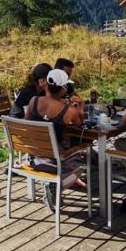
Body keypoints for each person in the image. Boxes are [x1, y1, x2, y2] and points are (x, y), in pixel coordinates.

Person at [25, 68, 87, 206]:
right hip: (57, 162)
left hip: (34, 158)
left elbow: (25, 123)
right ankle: (56, 186)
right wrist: (80, 106)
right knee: (80, 168)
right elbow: (79, 124)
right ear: (64, 88)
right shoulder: (68, 110)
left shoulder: (34, 101)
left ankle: (51, 186)